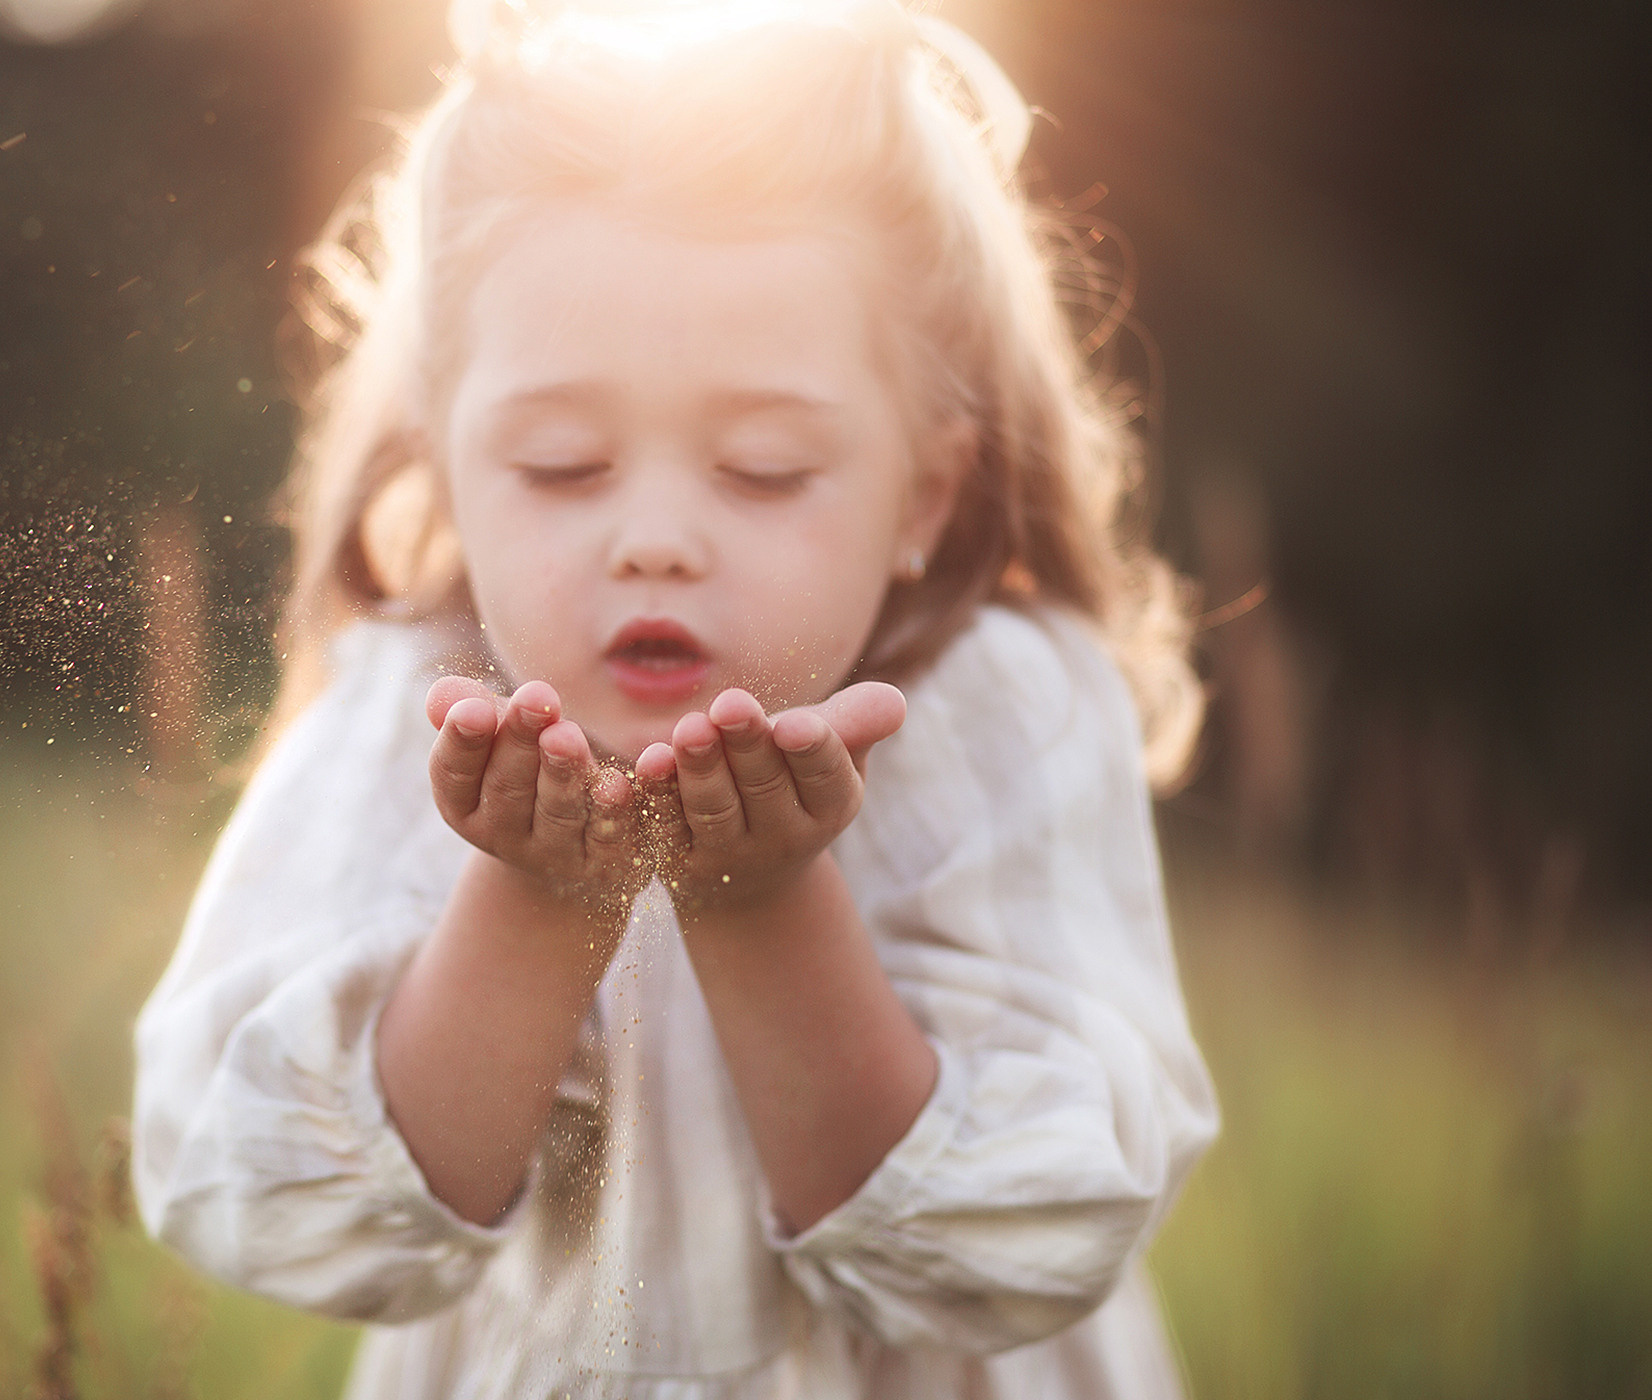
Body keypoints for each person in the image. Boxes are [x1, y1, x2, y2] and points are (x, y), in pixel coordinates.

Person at [132, 1, 1219, 1395]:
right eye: (564, 465)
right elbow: (275, 1204)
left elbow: (1010, 1245)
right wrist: (540, 900)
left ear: (924, 494)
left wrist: (760, 902)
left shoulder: (1004, 710)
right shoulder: (404, 711)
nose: (653, 536)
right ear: (448, 467)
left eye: (764, 468)